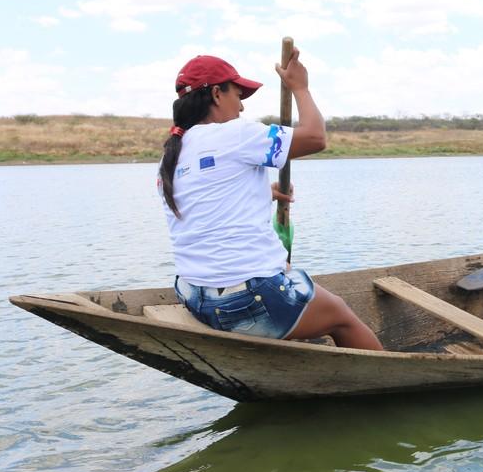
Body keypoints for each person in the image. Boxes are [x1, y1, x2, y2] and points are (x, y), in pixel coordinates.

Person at [157, 51, 384, 350]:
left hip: (194, 297)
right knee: (341, 315)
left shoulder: (169, 157)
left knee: (289, 279)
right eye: (238, 95)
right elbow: (316, 137)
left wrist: (263, 192)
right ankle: (396, 390)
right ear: (216, 93)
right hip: (247, 299)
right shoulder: (234, 133)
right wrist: (300, 88)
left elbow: (206, 200)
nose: (240, 107)